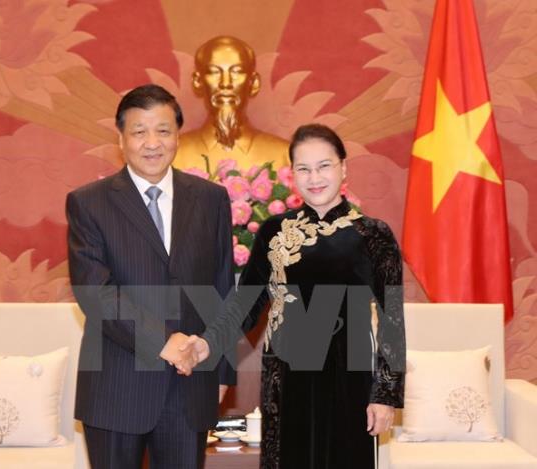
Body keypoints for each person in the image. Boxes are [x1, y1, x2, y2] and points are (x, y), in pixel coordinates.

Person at [197, 124, 406, 468]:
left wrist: (385, 395)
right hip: (286, 378)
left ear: (343, 168)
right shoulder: (273, 232)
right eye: (304, 169)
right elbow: (244, 305)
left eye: (324, 166)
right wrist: (208, 343)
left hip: (348, 376)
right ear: (292, 174)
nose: (315, 178)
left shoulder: (374, 235)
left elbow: (391, 320)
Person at [66, 84, 235, 469]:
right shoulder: (89, 203)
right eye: (139, 132)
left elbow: (223, 288)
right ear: (121, 139)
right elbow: (94, 292)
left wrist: (222, 368)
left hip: (190, 383)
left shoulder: (211, 199)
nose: (152, 143)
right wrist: (161, 341)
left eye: (163, 130)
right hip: (116, 385)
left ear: (178, 136)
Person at [172, 36, 290, 171]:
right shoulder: (173, 155)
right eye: (214, 72)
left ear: (254, 83)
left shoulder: (284, 155)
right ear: (197, 82)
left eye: (237, 71)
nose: (225, 83)